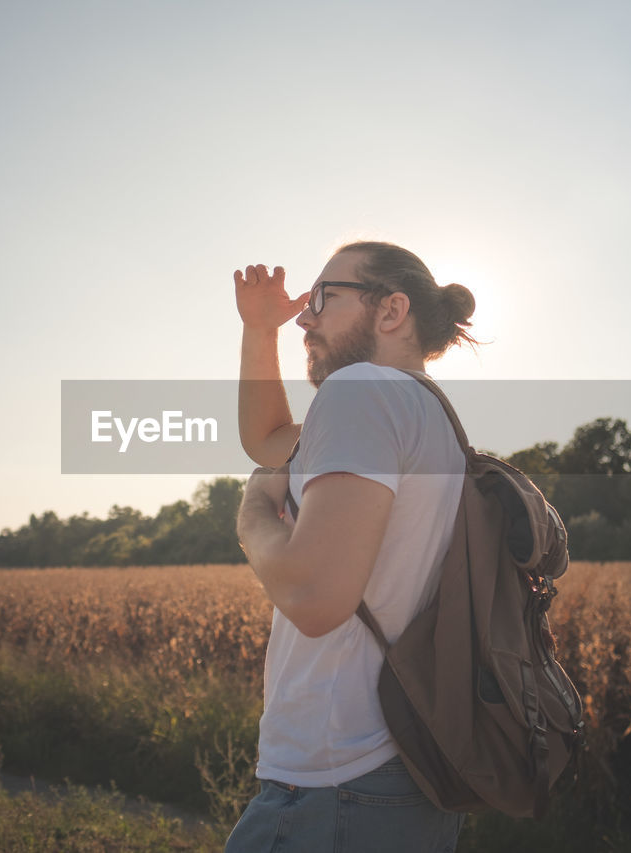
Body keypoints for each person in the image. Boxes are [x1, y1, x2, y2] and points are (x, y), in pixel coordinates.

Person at [228, 241, 478, 853]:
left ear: (391, 311)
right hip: (405, 773)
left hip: (336, 786)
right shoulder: (424, 411)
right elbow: (266, 441)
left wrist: (253, 517)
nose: (304, 317)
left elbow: (314, 599)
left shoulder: (361, 390)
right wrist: (261, 332)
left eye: (322, 299)